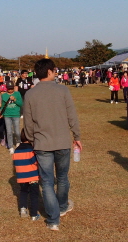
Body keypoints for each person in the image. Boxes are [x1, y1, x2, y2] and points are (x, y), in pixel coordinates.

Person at [23, 58, 82, 231]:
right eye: (54, 70)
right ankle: (61, 207)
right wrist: (77, 135)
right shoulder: (62, 90)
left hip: (42, 144)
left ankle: (54, 219)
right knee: (62, 178)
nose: (55, 72)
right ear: (49, 71)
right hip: (62, 141)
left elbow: (28, 123)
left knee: (47, 182)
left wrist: (32, 139)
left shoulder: (30, 94)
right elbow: (72, 115)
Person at [12, 128, 40, 221]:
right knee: (34, 194)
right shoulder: (32, 150)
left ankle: (23, 209)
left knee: (23, 192)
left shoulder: (17, 150)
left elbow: (15, 163)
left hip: (21, 176)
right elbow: (35, 162)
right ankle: (34, 215)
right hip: (33, 176)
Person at [1, 81, 23, 154]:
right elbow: (3, 105)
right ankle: (10, 146)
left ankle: (18, 141)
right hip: (7, 115)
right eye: (9, 89)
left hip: (16, 114)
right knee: (9, 132)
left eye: (12, 88)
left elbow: (21, 104)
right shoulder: (4, 95)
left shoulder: (17, 94)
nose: (10, 90)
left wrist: (15, 100)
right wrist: (1, 113)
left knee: (17, 131)